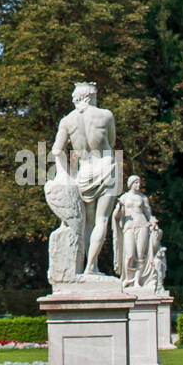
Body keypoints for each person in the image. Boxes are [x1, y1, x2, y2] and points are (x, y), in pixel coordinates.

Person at [50, 82, 123, 275]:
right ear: (91, 96)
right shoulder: (105, 115)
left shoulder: (67, 121)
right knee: (102, 220)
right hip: (105, 168)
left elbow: (57, 150)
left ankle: (85, 267)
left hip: (83, 174)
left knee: (87, 224)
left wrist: (65, 174)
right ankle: (91, 267)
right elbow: (112, 141)